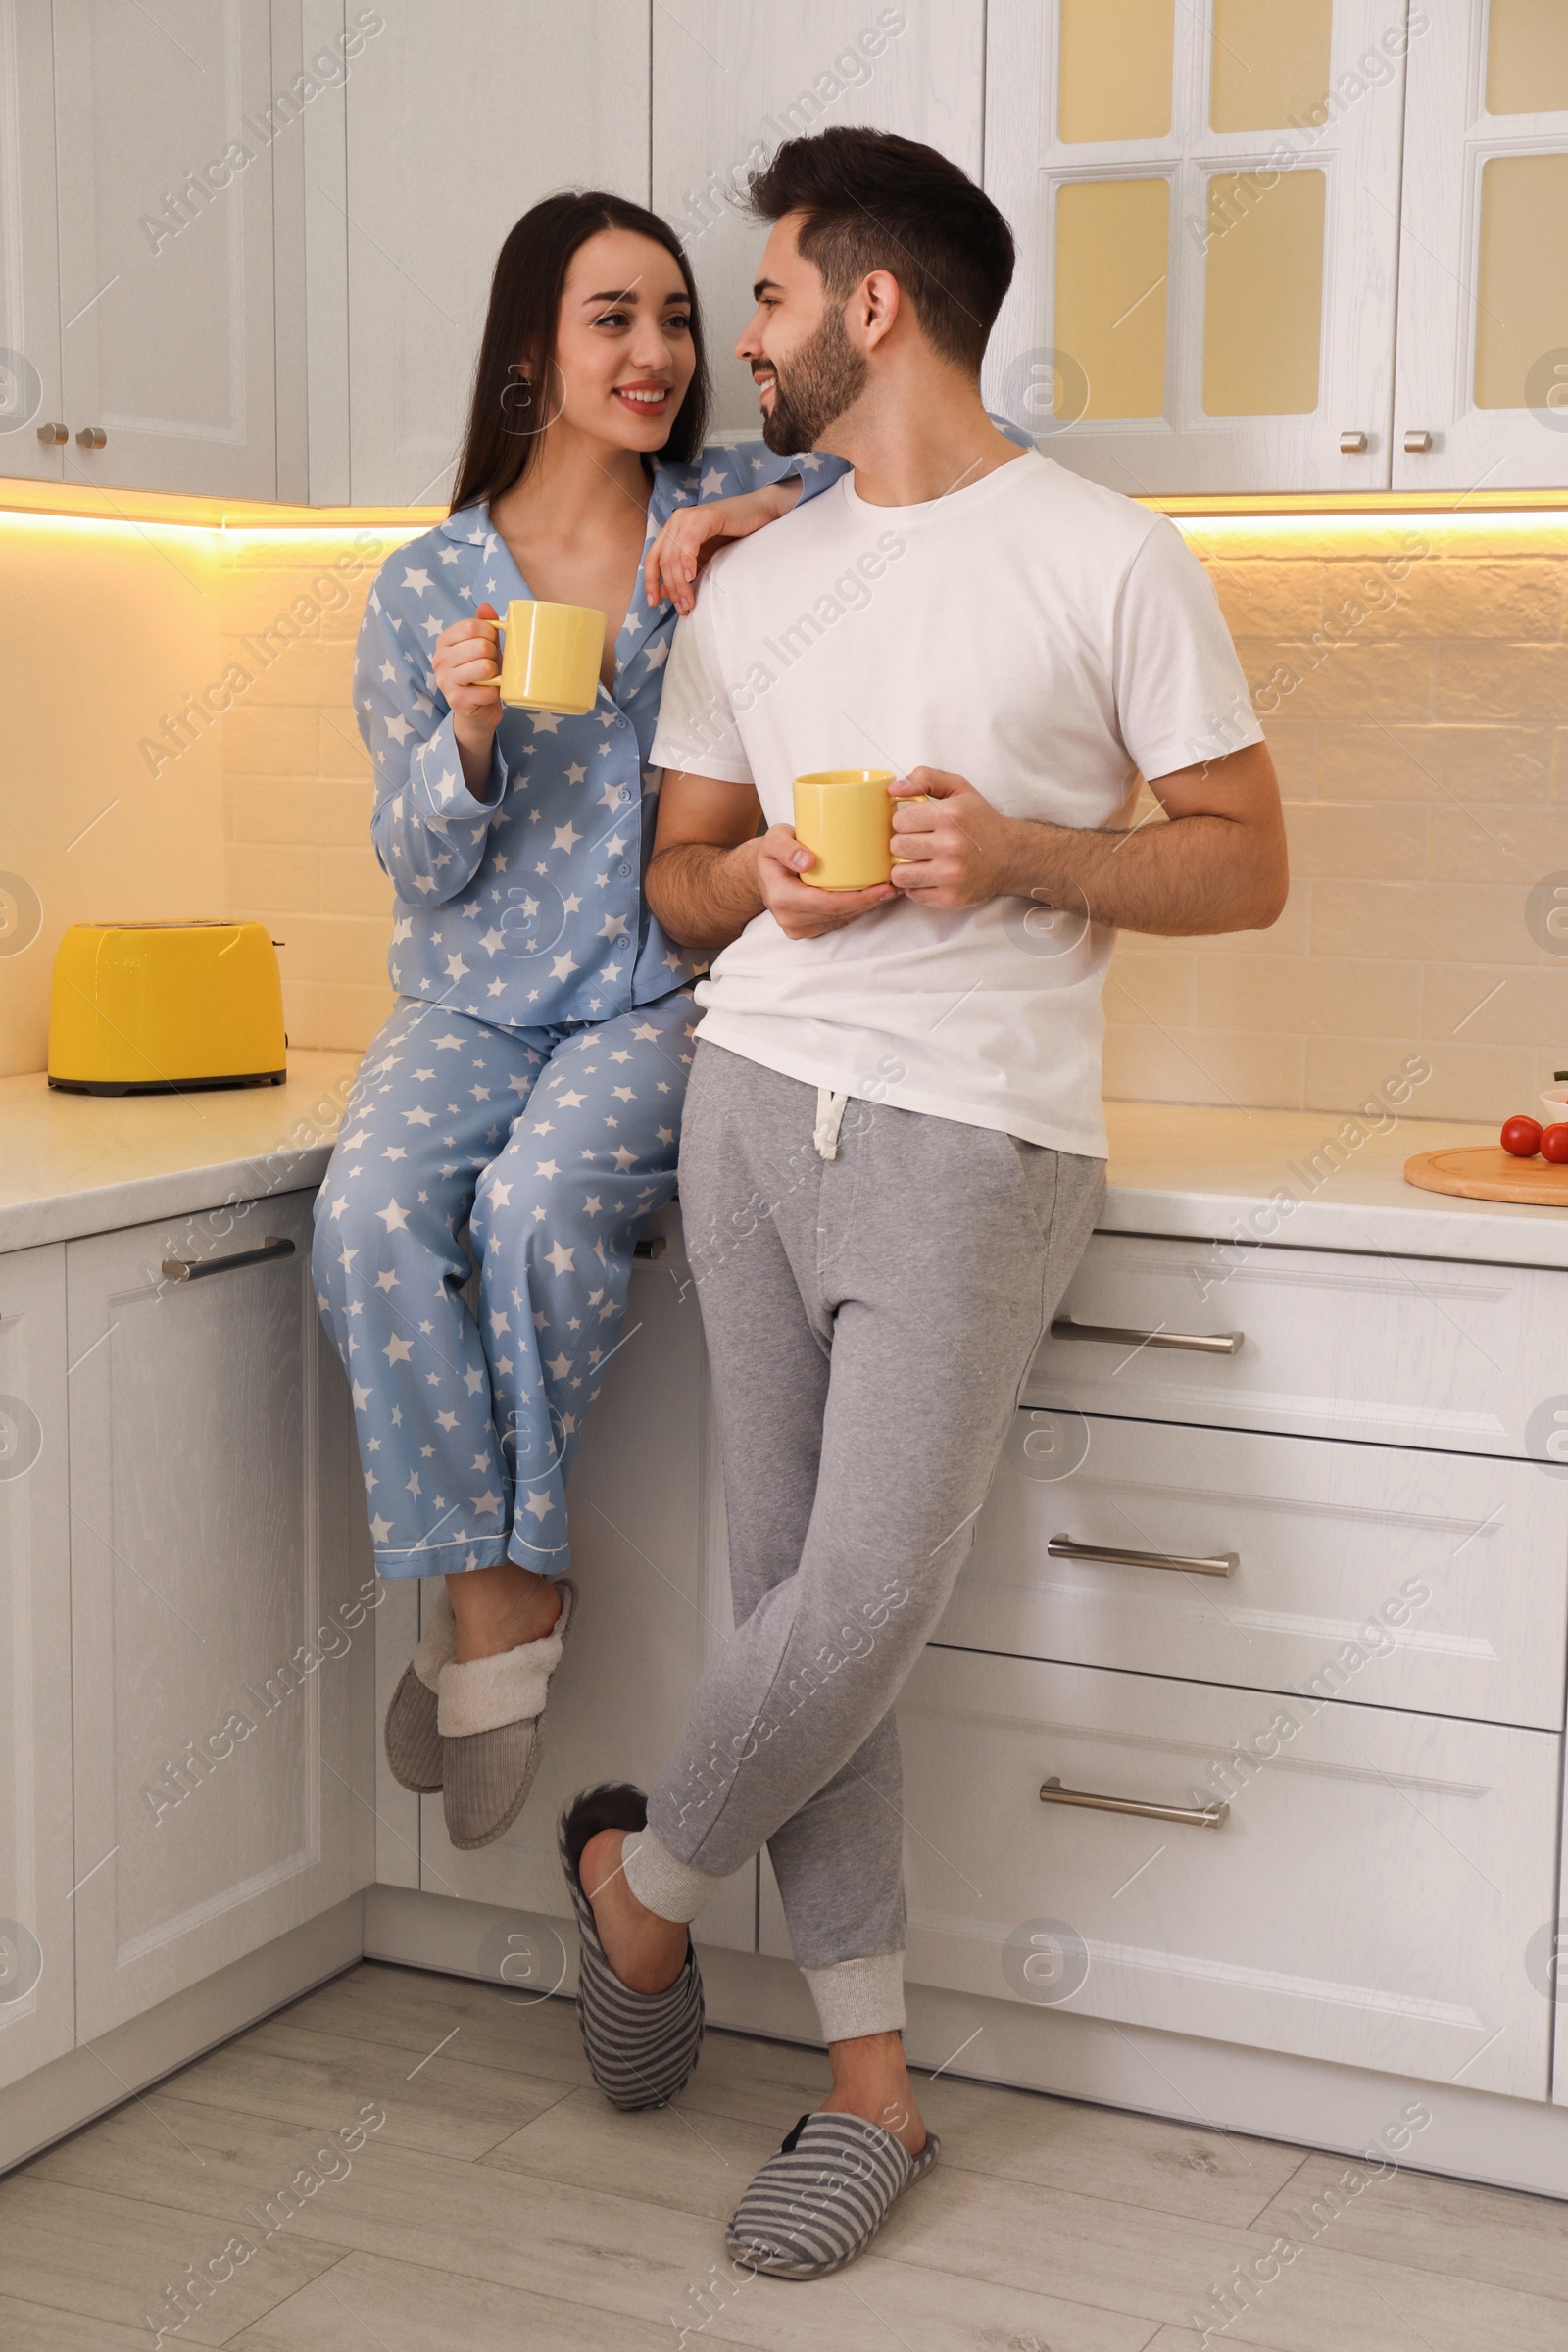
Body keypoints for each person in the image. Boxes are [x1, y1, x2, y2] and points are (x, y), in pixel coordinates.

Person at [557, 126, 1289, 2277]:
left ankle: (638, 1894)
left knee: (856, 1606)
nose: (737, 341)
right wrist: (756, 880)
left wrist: (1032, 857)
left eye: (762, 297)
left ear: (867, 308)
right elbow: (674, 885)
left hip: (977, 1140)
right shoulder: (747, 572)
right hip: (749, 1101)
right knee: (797, 1596)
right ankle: (869, 2091)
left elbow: (1242, 860)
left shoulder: (1108, 555)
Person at [312, 188, 856, 1853]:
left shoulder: (716, 497)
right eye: (613, 317)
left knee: (541, 1212)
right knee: (368, 1216)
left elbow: (937, 462)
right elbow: (410, 854)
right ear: (532, 346)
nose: (657, 351)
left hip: (648, 989)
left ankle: (501, 1594)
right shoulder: (426, 585)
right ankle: (500, 1589)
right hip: (469, 994)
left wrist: (754, 510)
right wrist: (466, 734)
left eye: (679, 318)